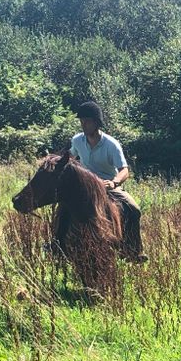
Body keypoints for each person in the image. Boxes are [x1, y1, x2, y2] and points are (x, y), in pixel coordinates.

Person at [69, 101, 147, 262]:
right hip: (84, 186)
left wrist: (114, 182)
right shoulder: (77, 140)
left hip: (107, 186)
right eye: (81, 121)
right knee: (63, 206)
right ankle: (56, 243)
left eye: (87, 121)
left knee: (133, 209)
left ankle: (134, 251)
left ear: (97, 122)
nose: (83, 125)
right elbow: (70, 157)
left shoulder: (111, 144)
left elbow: (124, 170)